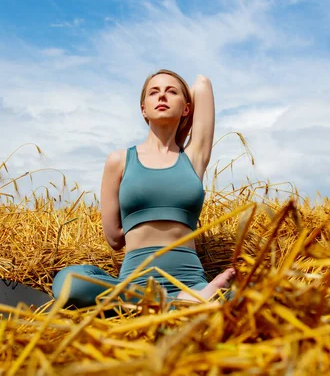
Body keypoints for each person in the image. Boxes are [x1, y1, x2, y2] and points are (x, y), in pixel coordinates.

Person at [51, 69, 235, 308]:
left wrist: (183, 123)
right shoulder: (119, 161)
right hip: (134, 284)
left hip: (190, 281)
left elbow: (202, 84)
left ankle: (163, 304)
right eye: (153, 93)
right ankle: (182, 305)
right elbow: (114, 240)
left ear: (187, 108)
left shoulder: (192, 158)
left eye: (171, 92)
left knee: (256, 294)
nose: (162, 97)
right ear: (143, 109)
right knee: (69, 283)